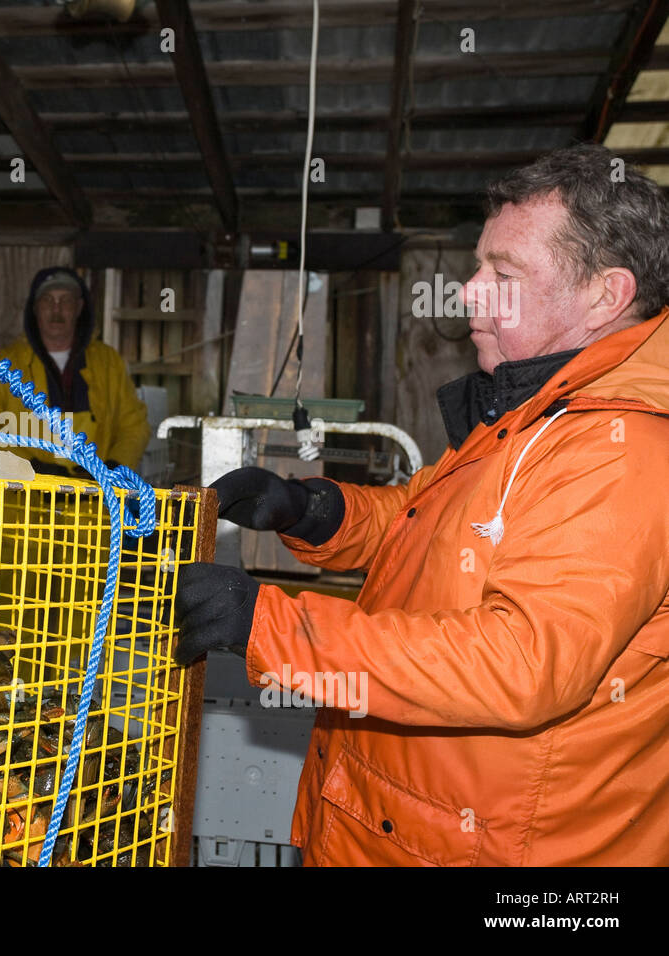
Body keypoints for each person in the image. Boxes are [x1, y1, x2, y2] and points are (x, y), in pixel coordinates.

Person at [174, 143, 669, 866]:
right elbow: (428, 521)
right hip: (401, 825)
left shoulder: (623, 446)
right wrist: (310, 511)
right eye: (478, 268)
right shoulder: (540, 409)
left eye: (504, 273)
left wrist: (264, 623)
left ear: (605, 295)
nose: (469, 292)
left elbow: (521, 662)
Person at [0, 267, 149, 475]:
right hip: (25, 499)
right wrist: (29, 467)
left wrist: (113, 468)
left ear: (79, 307)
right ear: (35, 308)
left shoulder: (109, 362)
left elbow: (135, 425)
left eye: (66, 301)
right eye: (47, 300)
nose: (56, 309)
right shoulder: (5, 363)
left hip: (95, 500)